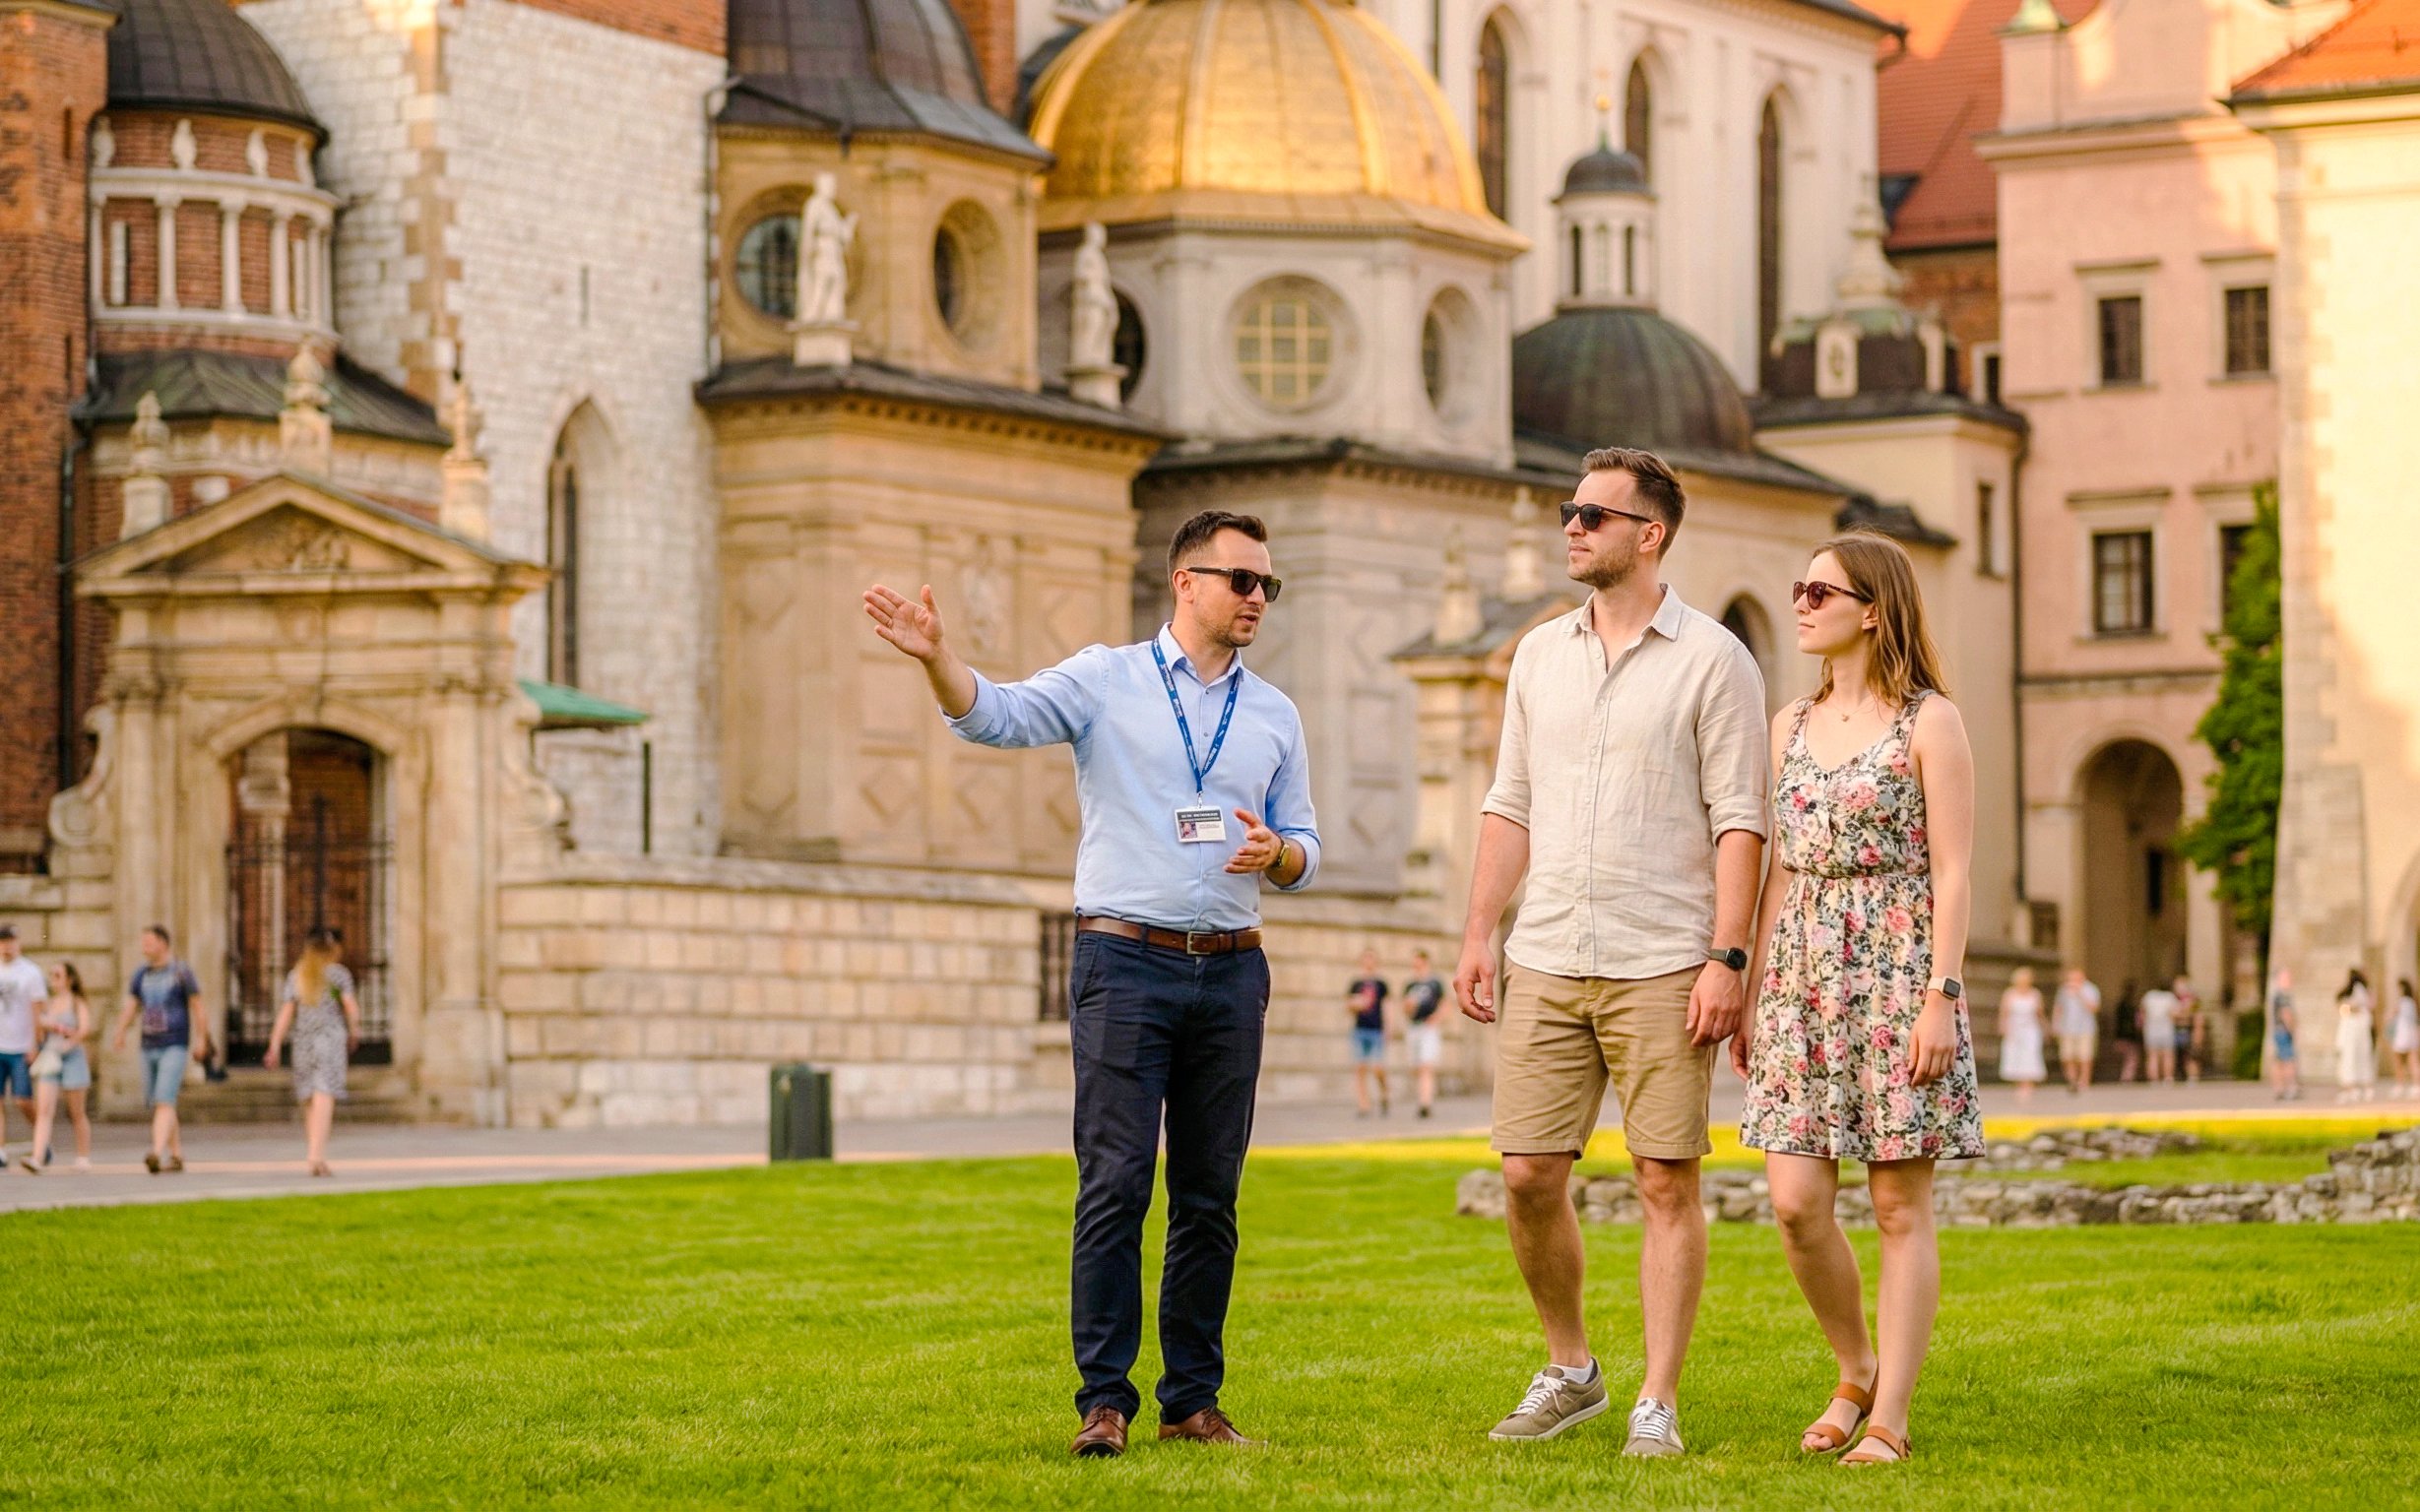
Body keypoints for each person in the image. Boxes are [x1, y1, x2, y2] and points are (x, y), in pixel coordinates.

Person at [865, 509, 1318, 1459]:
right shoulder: (1105, 679)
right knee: (1115, 1182)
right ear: (1185, 582)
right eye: (1242, 580)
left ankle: (1192, 1400)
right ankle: (1104, 1402)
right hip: (1126, 962)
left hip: (1232, 969)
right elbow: (996, 715)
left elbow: (1305, 844)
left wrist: (1279, 854)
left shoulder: (1275, 712)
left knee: (1210, 1195)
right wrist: (937, 659)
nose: (1257, 599)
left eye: (1268, 585)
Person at [1452, 447, 1768, 1458]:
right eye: (1569, 511)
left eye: (1593, 515)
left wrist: (1727, 958)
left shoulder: (1716, 659)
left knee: (1665, 1178)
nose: (1573, 527)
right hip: (1547, 949)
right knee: (1526, 1173)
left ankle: (1657, 1400)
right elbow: (1509, 802)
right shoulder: (1538, 654)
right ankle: (1573, 1369)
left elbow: (1741, 820)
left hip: (1664, 956)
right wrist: (1479, 931)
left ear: (1650, 534)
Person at [1737, 534, 1982, 1469]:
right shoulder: (1788, 723)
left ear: (1872, 610)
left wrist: (1940, 996)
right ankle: (1856, 1368)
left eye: (1819, 592)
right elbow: (1779, 868)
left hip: (1898, 970)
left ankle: (1891, 1419)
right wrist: (1754, 989)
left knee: (1896, 1204)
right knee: (1796, 1203)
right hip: (1801, 974)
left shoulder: (1930, 721)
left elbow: (1954, 871)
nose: (1800, 604)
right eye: (1798, 588)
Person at [108, 924, 205, 1173]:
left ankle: (156, 1152)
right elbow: (131, 1006)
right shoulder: (141, 974)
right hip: (148, 1045)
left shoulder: (181, 972)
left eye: (149, 942)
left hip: (174, 1044)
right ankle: (176, 1155)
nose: (144, 947)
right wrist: (120, 1032)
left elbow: (197, 1007)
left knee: (164, 1100)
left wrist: (201, 1039)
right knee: (163, 1103)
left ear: (163, 943)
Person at [265, 928, 360, 1176]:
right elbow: (350, 1007)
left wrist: (274, 1044)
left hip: (303, 1041)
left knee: (309, 1097)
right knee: (324, 1095)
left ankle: (313, 1154)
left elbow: (286, 1013)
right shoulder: (338, 975)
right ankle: (317, 1155)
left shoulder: (297, 976)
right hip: (330, 1040)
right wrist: (354, 1031)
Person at [27, 963, 95, 1171]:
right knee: (44, 1110)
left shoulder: (77, 1002)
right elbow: (39, 1029)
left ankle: (83, 1156)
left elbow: (84, 1029)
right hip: (51, 1056)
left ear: (69, 979)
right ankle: (37, 1157)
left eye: (58, 975)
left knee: (77, 1111)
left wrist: (69, 1039)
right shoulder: (50, 1003)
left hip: (72, 1057)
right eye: (52, 975)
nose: (53, 980)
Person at [0, 924, 45, 1168]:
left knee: (22, 1100)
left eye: (10, 941)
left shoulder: (31, 972)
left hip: (21, 1047)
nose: (6, 946)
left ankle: (42, 1140)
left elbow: (38, 1012)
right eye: (2, 941)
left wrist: (35, 1044)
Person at [1402, 949, 1447, 1119]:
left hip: (1429, 1028)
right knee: (1416, 1067)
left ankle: (1425, 1103)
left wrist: (1436, 1018)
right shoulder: (1410, 985)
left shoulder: (1435, 983)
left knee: (1426, 1065)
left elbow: (1445, 1004)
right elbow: (1405, 1009)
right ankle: (1422, 1097)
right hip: (1414, 1027)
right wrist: (1409, 1006)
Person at [1346, 951, 1390, 1117]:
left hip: (1376, 1030)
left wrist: (1388, 1028)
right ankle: (1364, 1105)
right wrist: (1355, 1005)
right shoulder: (1356, 984)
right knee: (1360, 1068)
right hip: (1360, 1030)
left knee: (1378, 1068)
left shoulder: (1381, 984)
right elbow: (1348, 1006)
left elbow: (1387, 1007)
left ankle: (1384, 1091)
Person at [1997, 967, 2047, 1104]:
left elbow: (2040, 1014)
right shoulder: (2009, 994)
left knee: (2030, 1054)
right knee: (2015, 1054)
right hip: (2014, 1028)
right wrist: (2003, 1026)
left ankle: (2028, 1084)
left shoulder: (2035, 994)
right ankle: (2018, 1083)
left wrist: (2045, 1027)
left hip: (2030, 1029)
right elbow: (2004, 1012)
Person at [2052, 969, 2100, 1095]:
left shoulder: (2090, 989)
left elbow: (2094, 1008)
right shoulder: (2064, 990)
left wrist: (2080, 994)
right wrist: (2055, 1024)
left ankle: (2084, 1081)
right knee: (2067, 1056)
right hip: (2067, 1028)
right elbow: (2058, 1007)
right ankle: (2072, 1080)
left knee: (2085, 1056)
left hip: (2085, 1028)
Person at [2334, 970, 2376, 1104]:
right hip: (2355, 1030)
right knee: (2355, 1058)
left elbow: (2355, 1008)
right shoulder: (2361, 990)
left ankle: (2352, 1088)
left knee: (2352, 1058)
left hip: (2354, 1031)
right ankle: (2353, 1088)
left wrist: (2346, 1008)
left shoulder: (2359, 990)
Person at [2137, 980, 2179, 1085]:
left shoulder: (2149, 996)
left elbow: (2142, 1012)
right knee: (2168, 1055)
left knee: (2152, 1056)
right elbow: (2174, 1013)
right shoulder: (2170, 997)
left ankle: (2154, 1079)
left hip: (2151, 1029)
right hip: (2166, 1029)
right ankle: (2168, 1078)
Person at [2269, 968, 2300, 1102]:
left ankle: (2279, 1089)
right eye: (2287, 978)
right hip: (2284, 1032)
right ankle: (2291, 1088)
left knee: (2278, 1061)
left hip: (2278, 1031)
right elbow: (2286, 1014)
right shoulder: (2283, 996)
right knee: (2289, 1061)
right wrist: (2292, 1030)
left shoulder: (2276, 995)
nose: (2290, 981)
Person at [2389, 978, 2419, 1100]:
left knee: (2399, 1061)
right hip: (2411, 1034)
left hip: (2403, 1034)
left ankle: (2400, 1085)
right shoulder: (2412, 1002)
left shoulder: (2403, 1002)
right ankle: (2416, 1085)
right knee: (2413, 1061)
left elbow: (2392, 1015)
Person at [2175, 976, 2204, 1084]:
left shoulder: (2192, 1000)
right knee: (2185, 1056)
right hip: (2182, 1031)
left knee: (2192, 1055)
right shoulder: (2178, 1000)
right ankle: (2187, 1075)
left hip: (2191, 1031)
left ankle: (2193, 1076)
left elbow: (2196, 1017)